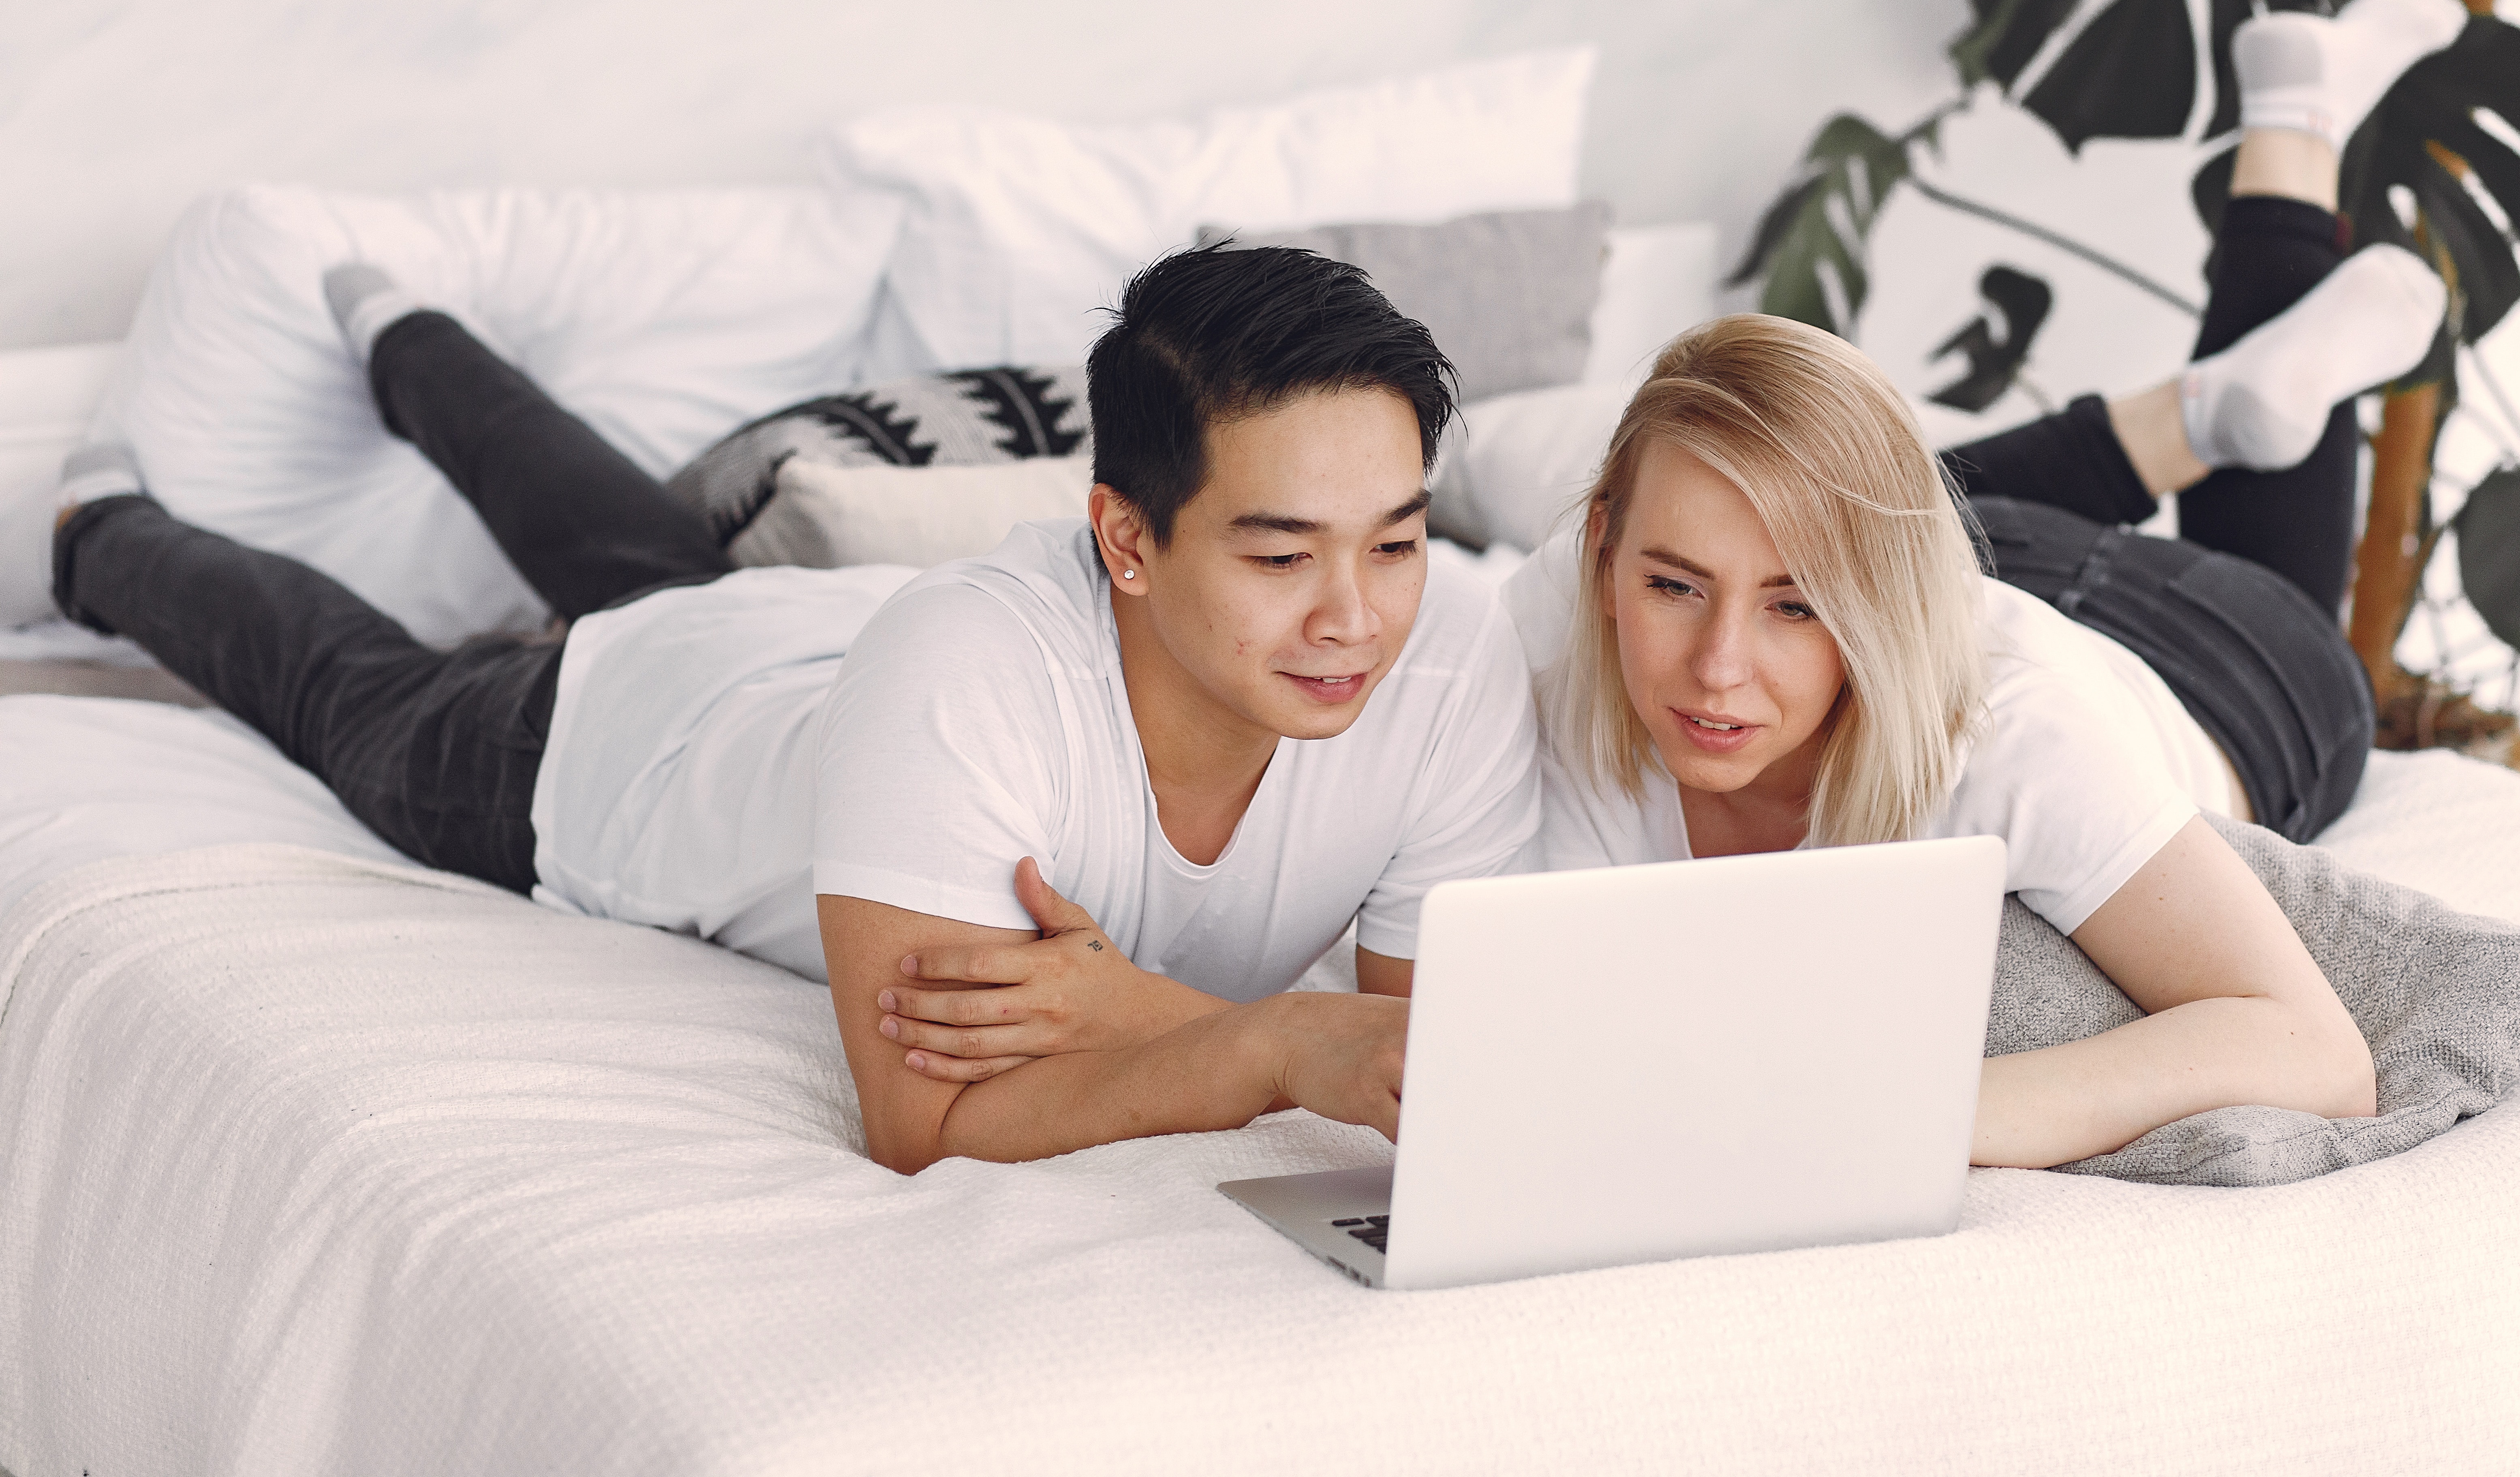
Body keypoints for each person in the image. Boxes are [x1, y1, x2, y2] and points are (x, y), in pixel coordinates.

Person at [51, 244, 1542, 1174]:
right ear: (1127, 539)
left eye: (1398, 540)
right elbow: (927, 1124)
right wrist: (1276, 1044)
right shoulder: (965, 667)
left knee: (634, 548)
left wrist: (1162, 1022)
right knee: (346, 686)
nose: (1358, 616)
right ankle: (99, 532)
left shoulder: (1457, 659)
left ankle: (411, 331)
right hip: (620, 744)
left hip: (816, 650)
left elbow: (1427, 1079)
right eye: (1282, 553)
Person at [1499, 0, 2471, 1169]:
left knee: (1872, 508)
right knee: (1839, 492)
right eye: (1672, 588)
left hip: (2224, 659)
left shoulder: (2013, 744)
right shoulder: (1546, 618)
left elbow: (2314, 1049)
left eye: (1793, 605)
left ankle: (2277, 200)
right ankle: (2219, 361)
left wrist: (1901, 1125)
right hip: (1981, 555)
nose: (1718, 668)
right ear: (1601, 548)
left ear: (1857, 604)